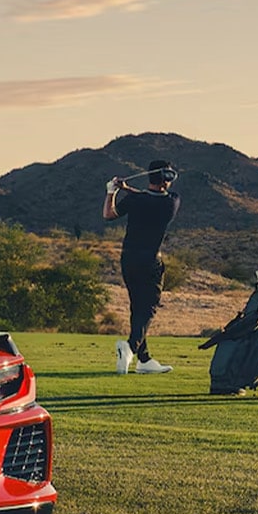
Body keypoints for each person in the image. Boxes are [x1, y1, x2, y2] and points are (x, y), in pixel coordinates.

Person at [102, 159, 180, 375]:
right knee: (150, 307)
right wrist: (130, 190)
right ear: (166, 180)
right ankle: (130, 347)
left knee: (137, 308)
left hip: (128, 259)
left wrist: (113, 192)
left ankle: (144, 360)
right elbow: (153, 198)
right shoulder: (172, 202)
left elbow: (108, 214)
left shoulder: (134, 200)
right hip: (150, 261)